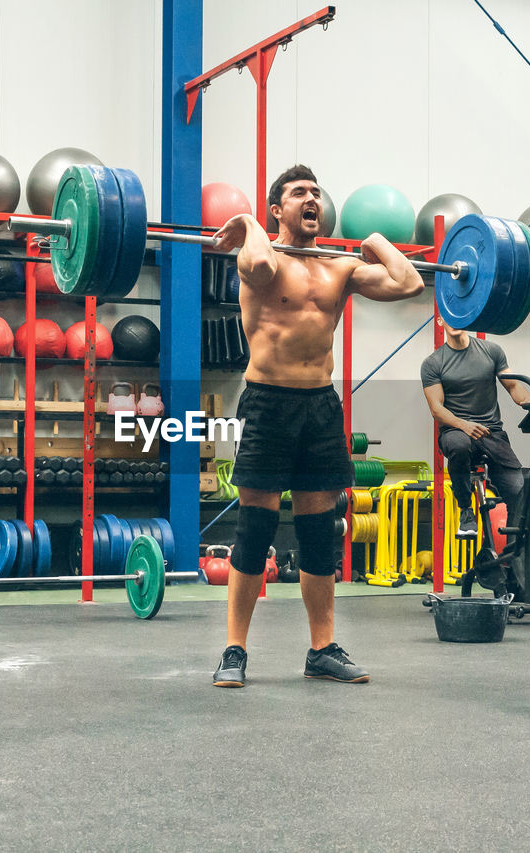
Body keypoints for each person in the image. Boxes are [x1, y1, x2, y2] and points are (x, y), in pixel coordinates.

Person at [208, 165, 424, 688]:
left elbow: (410, 281)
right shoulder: (257, 256)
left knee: (318, 534)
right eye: (298, 193)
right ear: (277, 209)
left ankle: (322, 649)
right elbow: (259, 264)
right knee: (255, 531)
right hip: (267, 403)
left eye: (316, 193)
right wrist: (246, 221)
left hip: (320, 407)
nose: (312, 199)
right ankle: (235, 649)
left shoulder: (340, 267)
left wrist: (373, 240)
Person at [421, 315, 530, 540]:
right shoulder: (433, 363)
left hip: (492, 433)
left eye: (458, 316)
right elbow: (436, 409)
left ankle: (516, 555)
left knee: (517, 491)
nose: (453, 322)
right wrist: (465, 425)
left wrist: (528, 400)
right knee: (458, 444)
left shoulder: (492, 351)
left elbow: (513, 386)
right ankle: (466, 511)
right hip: (455, 430)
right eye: (447, 317)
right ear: (439, 321)